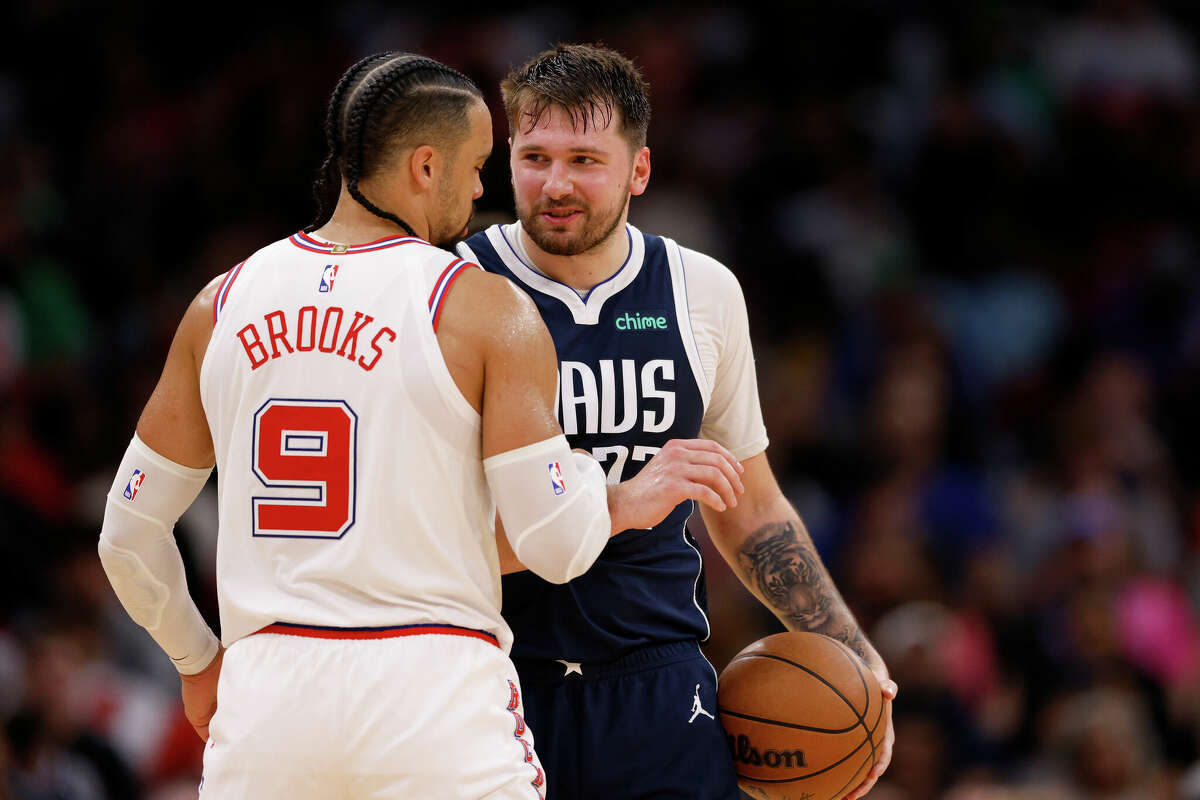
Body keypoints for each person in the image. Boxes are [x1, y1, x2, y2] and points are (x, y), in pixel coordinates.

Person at [96, 51, 742, 799]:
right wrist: (624, 501)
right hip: (433, 703)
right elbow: (557, 546)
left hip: (266, 707)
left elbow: (128, 537)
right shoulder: (482, 306)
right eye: (474, 167)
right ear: (426, 166)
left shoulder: (222, 302)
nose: (479, 190)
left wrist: (197, 661)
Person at [458, 43, 899, 800]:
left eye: (585, 160)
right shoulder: (456, 288)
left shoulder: (702, 290)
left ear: (640, 170)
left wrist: (850, 650)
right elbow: (423, 534)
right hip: (491, 675)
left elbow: (750, 503)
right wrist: (616, 504)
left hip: (658, 680)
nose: (555, 183)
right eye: (534, 156)